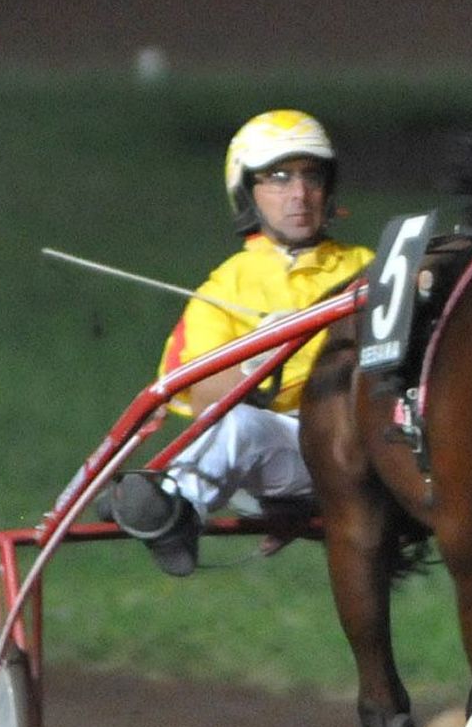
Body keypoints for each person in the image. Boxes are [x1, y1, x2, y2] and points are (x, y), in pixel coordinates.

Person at [103, 109, 374, 575]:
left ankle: (148, 500)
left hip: (366, 437)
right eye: (278, 178)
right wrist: (254, 367)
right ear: (247, 190)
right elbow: (199, 390)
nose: (299, 194)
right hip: (292, 448)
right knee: (239, 428)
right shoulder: (226, 286)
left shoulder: (367, 266)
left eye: (312, 176)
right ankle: (168, 510)